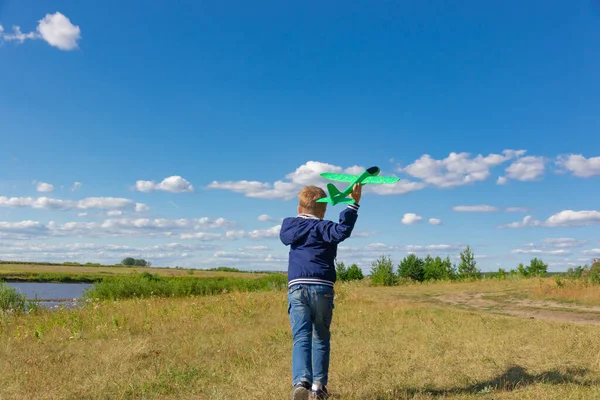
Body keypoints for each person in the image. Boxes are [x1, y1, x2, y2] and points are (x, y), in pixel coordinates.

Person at [279, 183, 362, 400]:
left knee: (301, 337)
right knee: (321, 337)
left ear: (299, 210)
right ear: (324, 211)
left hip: (297, 287)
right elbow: (343, 230)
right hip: (323, 287)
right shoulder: (325, 227)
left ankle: (301, 382)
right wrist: (353, 204)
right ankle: (318, 388)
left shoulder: (291, 225)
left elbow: (285, 237)